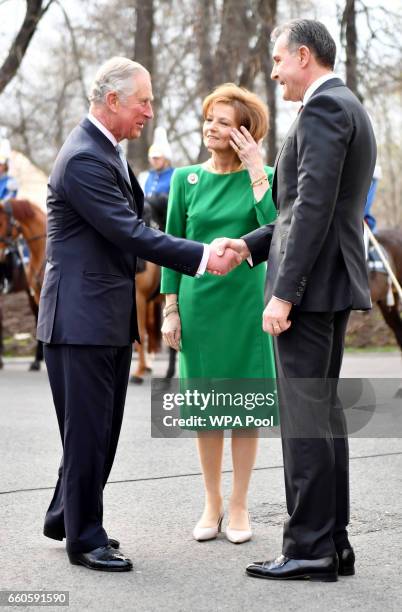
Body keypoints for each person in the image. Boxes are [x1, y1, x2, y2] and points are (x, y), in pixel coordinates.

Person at [37, 57, 241, 572]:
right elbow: (129, 233)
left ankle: (67, 514)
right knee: (88, 435)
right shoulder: (85, 158)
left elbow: (132, 228)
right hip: (79, 321)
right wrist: (199, 256)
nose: (150, 111)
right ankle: (85, 540)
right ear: (112, 101)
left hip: (100, 317)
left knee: (96, 432)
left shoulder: (106, 152)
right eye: (143, 101)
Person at [217, 20, 376, 581]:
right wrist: (250, 245)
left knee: (305, 421)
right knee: (323, 418)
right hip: (327, 282)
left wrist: (284, 293)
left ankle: (309, 549)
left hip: (310, 290)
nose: (275, 71)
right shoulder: (343, 104)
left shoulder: (325, 109)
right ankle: (332, 542)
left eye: (279, 60)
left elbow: (312, 210)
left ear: (303, 55)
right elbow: (302, 208)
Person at [160, 83, 278, 545]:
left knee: (244, 409)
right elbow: (169, 248)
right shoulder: (184, 179)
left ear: (245, 132)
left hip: (247, 308)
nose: (211, 126)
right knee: (206, 410)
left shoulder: (264, 173)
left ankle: (240, 504)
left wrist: (255, 171)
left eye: (223, 121)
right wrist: (170, 309)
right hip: (198, 307)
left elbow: (277, 227)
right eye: (209, 118)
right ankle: (211, 501)